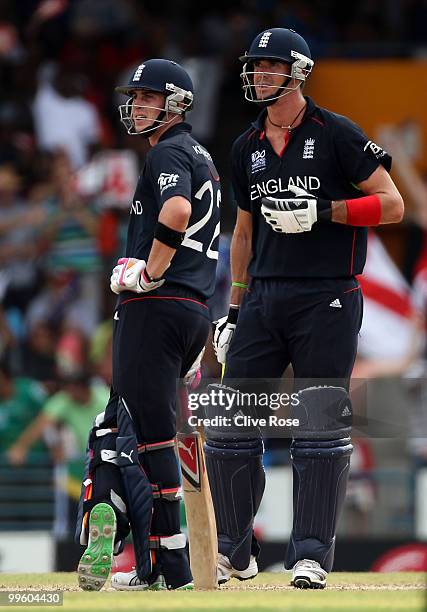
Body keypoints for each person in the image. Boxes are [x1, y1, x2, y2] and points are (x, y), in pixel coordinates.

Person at [210, 28, 404, 589]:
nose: (258, 75)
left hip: (327, 295)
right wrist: (235, 307)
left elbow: (392, 206)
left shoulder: (337, 132)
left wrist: (323, 212)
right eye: (255, 66)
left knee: (318, 427)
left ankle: (311, 556)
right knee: (232, 421)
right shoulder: (246, 144)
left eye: (269, 67)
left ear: (298, 72)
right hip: (264, 297)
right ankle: (233, 550)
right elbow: (241, 234)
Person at [75, 59, 221, 592]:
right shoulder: (202, 154)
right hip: (194, 312)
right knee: (141, 433)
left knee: (122, 435)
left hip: (156, 309)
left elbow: (178, 210)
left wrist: (146, 272)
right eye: (134, 98)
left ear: (176, 103)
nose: (136, 107)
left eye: (147, 98)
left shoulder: (168, 151)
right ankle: (157, 559)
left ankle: (134, 546)